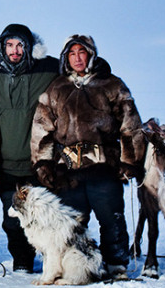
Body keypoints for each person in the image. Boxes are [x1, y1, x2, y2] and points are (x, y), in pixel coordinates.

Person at [30, 35, 146, 280]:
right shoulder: (56, 88)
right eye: (72, 54)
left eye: (81, 52)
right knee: (71, 224)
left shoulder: (112, 85)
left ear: (91, 54)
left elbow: (131, 126)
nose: (77, 58)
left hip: (104, 166)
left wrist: (129, 161)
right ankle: (76, 267)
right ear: (66, 58)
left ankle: (116, 265)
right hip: (68, 170)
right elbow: (42, 128)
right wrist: (43, 163)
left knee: (111, 218)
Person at [0, 23, 59, 273]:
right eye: (9, 45)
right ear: (1, 47)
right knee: (12, 218)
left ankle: (49, 259)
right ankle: (22, 260)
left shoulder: (47, 69)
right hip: (6, 163)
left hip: (38, 162)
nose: (15, 50)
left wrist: (101, 66)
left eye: (20, 45)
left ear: (29, 47)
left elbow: (77, 66)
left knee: (41, 216)